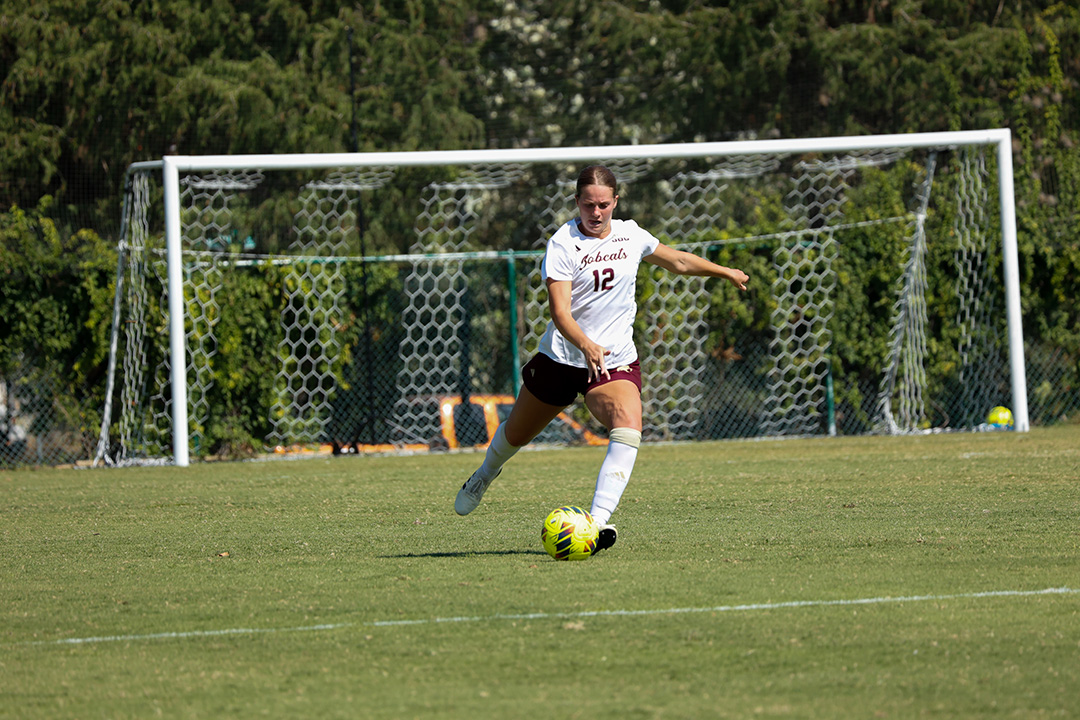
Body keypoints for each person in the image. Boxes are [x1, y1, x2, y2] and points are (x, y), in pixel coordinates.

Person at [455, 165, 749, 552]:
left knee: (628, 424)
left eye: (604, 205)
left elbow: (676, 261)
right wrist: (586, 344)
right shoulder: (563, 243)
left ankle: (596, 523)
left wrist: (723, 271)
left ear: (615, 202)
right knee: (516, 435)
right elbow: (560, 313)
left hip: (614, 360)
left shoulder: (630, 234)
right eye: (589, 205)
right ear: (577, 202)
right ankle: (484, 475)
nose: (596, 213)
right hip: (562, 358)